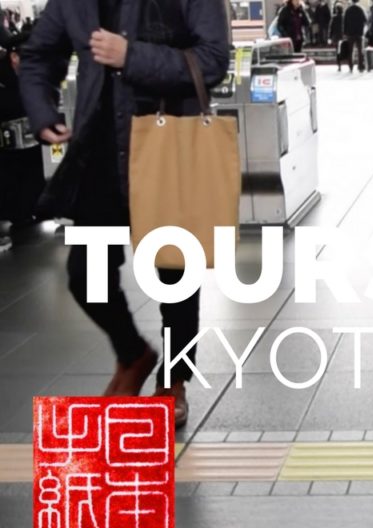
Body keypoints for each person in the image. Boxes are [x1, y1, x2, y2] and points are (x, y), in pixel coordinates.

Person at [19, 0, 231, 427]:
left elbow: (213, 60)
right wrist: (43, 113)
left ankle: (174, 380)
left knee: (174, 275)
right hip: (100, 153)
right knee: (85, 277)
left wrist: (130, 56)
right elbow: (39, 53)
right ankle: (133, 354)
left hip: (167, 146)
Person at [0, 32, 45, 254]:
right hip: (7, 141)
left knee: (31, 172)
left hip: (28, 138)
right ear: (13, 56)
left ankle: (27, 212)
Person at [344, 0, 367, 72]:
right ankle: (360, 66)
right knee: (360, 50)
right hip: (359, 33)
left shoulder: (348, 10)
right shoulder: (361, 9)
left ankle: (351, 66)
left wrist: (345, 32)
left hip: (350, 33)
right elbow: (365, 20)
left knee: (350, 50)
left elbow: (345, 22)